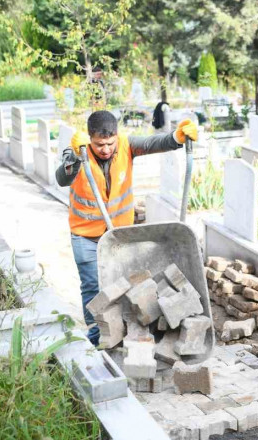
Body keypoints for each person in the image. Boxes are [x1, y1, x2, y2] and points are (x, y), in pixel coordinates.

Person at [55, 111, 198, 346]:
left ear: (116, 136)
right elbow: (62, 178)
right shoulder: (77, 151)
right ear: (90, 138)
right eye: (99, 144)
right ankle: (96, 339)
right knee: (92, 286)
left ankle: (123, 335)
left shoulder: (126, 145)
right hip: (85, 235)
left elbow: (154, 143)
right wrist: (76, 159)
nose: (105, 149)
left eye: (109, 143)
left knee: (121, 285)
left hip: (118, 235)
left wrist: (177, 137)